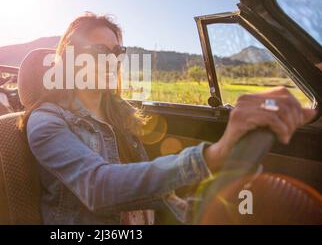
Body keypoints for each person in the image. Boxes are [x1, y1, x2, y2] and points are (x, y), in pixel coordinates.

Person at [22, 13, 316, 225]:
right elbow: (99, 187)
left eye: (117, 52)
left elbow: (148, 186)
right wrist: (213, 155)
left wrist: (199, 208)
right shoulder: (46, 122)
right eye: (99, 51)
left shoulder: (121, 112)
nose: (112, 60)